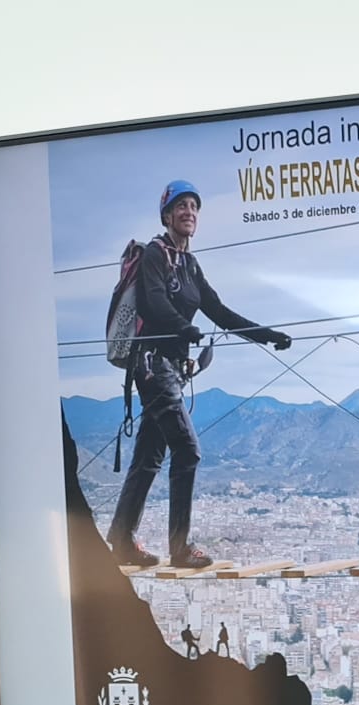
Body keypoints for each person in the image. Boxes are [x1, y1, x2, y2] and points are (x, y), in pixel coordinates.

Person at [106, 182, 293, 570]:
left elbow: (219, 312)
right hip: (153, 365)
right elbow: (153, 303)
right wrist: (184, 328)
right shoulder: (156, 254)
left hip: (170, 370)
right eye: (181, 206)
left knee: (149, 456)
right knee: (187, 450)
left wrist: (267, 335)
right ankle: (180, 548)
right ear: (166, 216)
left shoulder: (190, 266)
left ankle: (122, 540)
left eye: (193, 206)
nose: (188, 211)